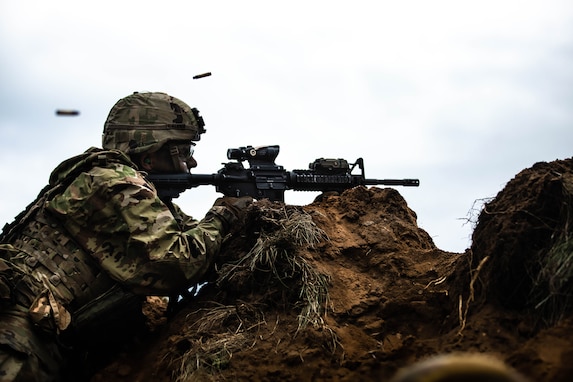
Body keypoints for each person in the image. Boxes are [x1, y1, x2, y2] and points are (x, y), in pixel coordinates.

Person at [0, 91, 252, 381]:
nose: (192, 164)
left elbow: (199, 240)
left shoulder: (120, 188)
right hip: (17, 339)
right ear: (149, 156)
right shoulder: (113, 183)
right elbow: (175, 262)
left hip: (34, 334)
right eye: (183, 152)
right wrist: (226, 214)